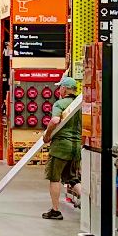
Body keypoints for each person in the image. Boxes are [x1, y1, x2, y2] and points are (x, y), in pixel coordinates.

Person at [40, 75, 82, 220]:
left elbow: (55, 120)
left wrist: (47, 135)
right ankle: (92, 207)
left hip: (60, 147)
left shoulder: (60, 104)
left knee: (54, 177)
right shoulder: (80, 104)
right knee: (72, 178)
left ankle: (55, 210)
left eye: (60, 87)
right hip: (76, 147)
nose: (59, 90)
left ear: (64, 89)